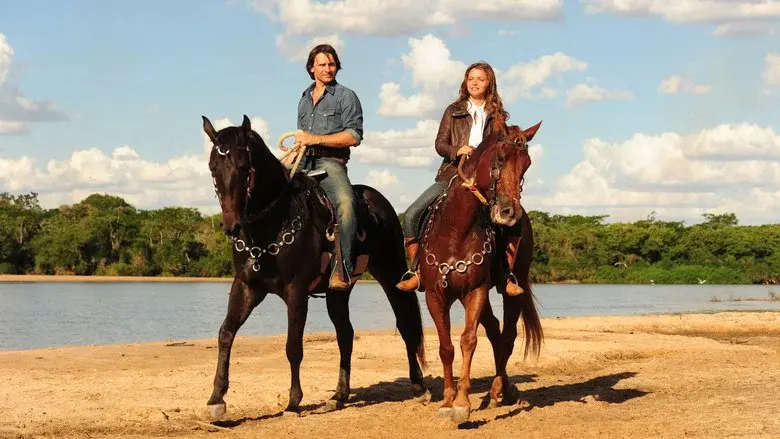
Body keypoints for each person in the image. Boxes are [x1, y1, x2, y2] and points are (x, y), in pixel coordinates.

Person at [396, 61, 524, 296]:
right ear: (465, 82)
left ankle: (505, 275)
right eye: (471, 78)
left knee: (515, 219)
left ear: (489, 84)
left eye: (480, 79)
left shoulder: (498, 116)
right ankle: (417, 272)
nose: (474, 83)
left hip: (486, 182)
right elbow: (439, 144)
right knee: (412, 214)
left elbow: (503, 149)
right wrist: (458, 150)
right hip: (452, 175)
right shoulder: (453, 110)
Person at [293, 44, 363, 290]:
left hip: (331, 162)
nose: (327, 69)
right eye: (322, 64)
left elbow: (354, 136)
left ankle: (342, 268)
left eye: (331, 64)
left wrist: (316, 139)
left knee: (346, 203)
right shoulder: (303, 98)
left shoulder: (346, 96)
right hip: (302, 160)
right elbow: (302, 135)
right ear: (311, 68)